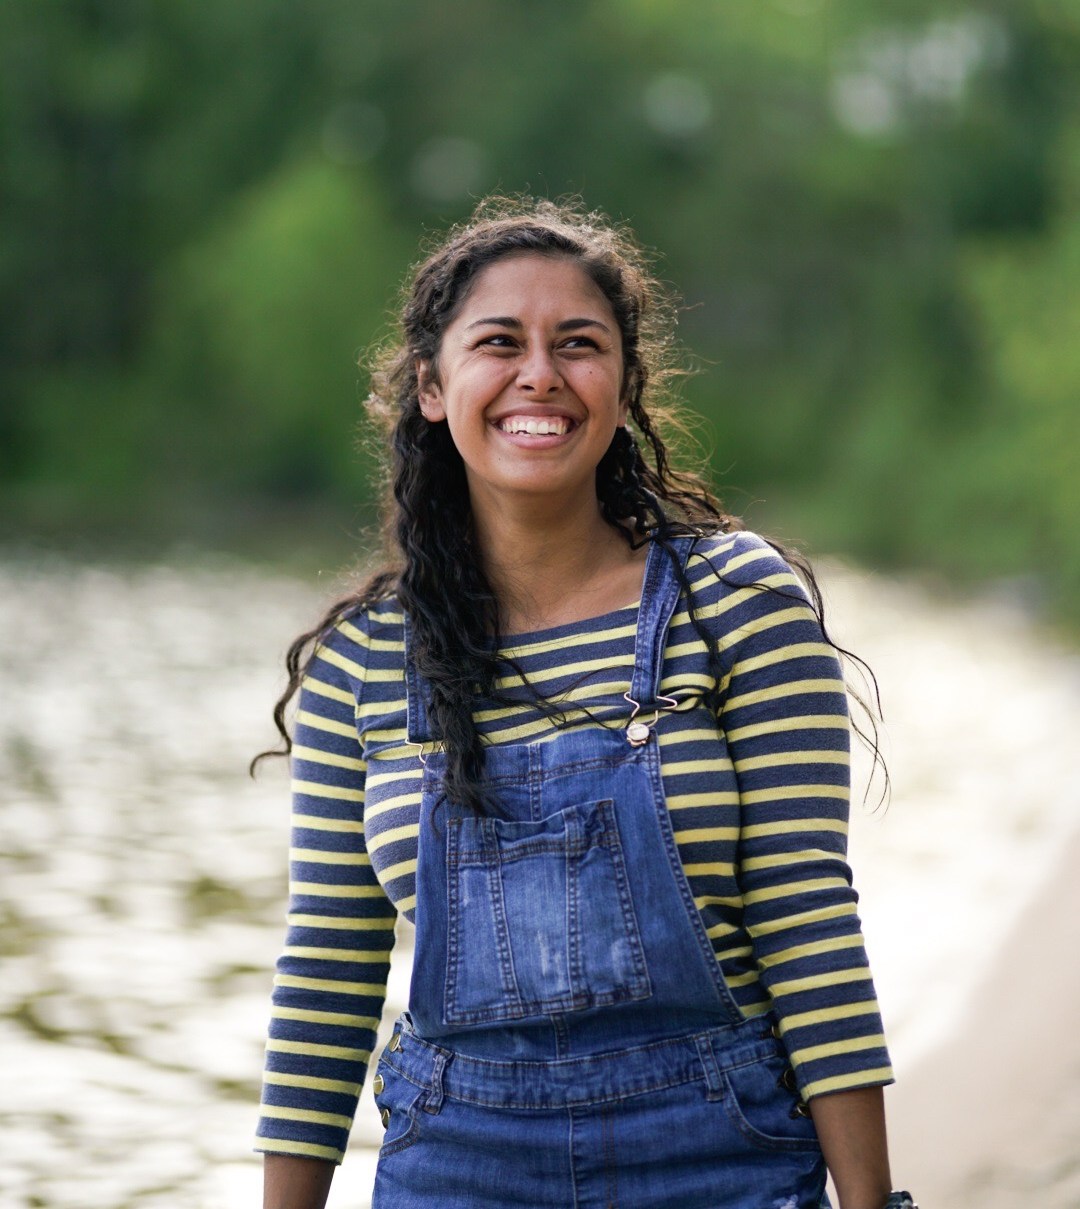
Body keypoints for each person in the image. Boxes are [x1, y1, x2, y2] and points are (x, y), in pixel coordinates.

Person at [255, 198, 914, 1209]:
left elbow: (806, 914)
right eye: (498, 342)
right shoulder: (365, 658)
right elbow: (327, 976)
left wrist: (873, 1200)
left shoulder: (733, 603)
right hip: (453, 1165)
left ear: (622, 383)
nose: (540, 375)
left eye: (578, 343)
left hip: (721, 1151)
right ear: (433, 387)